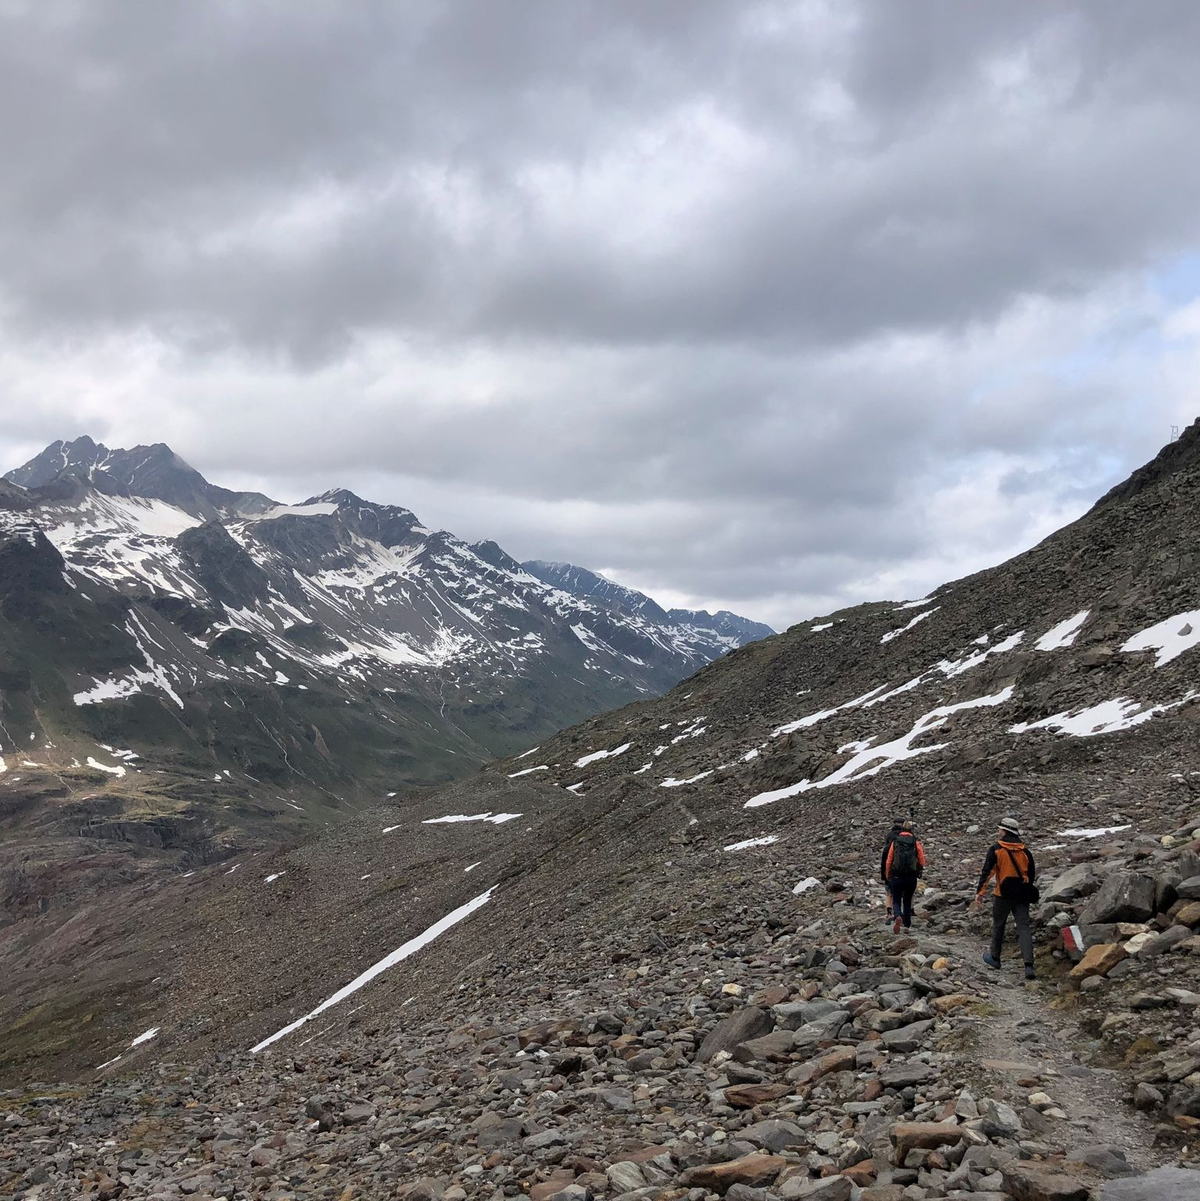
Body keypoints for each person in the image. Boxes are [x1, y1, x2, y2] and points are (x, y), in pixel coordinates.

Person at [974, 817, 1038, 980]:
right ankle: (1029, 965)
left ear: (1004, 831)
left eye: (1000, 829)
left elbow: (987, 872)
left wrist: (980, 893)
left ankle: (995, 958)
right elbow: (1031, 876)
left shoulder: (996, 849)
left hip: (1003, 894)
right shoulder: (1025, 852)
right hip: (1022, 894)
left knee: (998, 924)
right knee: (1024, 927)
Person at [884, 820, 925, 934]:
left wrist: (888, 874)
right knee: (907, 900)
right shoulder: (915, 843)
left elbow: (889, 860)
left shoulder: (895, 842)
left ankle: (897, 916)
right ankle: (907, 925)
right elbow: (921, 859)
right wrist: (919, 869)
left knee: (896, 899)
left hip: (897, 875)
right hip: (911, 876)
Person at [880, 817, 904, 921]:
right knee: (903, 893)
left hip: (891, 871)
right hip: (905, 871)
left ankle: (890, 913)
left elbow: (886, 861)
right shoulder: (907, 839)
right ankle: (903, 913)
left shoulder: (889, 840)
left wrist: (884, 874)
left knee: (889, 893)